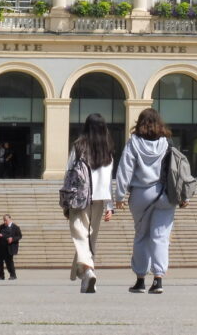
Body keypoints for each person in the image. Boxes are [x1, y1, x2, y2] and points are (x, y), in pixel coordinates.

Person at [115, 108, 186, 295]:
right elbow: (178, 170)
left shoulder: (133, 143)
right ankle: (158, 279)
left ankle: (140, 280)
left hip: (140, 195)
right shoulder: (168, 144)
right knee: (160, 238)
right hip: (165, 194)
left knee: (141, 236)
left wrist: (119, 196)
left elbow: (125, 170)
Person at [67, 113, 115, 293]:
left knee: (80, 233)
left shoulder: (79, 145)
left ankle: (88, 269)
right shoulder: (108, 147)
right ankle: (86, 274)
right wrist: (110, 205)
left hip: (80, 196)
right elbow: (108, 178)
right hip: (100, 197)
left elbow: (69, 172)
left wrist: (66, 201)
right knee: (90, 236)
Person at [0, 214, 22, 280]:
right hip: (0, 247)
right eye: (4, 220)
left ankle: (13, 275)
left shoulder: (15, 227)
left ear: (10, 219)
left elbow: (19, 236)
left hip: (9, 247)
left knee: (9, 262)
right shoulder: (1, 226)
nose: (4, 222)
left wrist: (12, 239)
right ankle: (1, 275)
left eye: (6, 220)